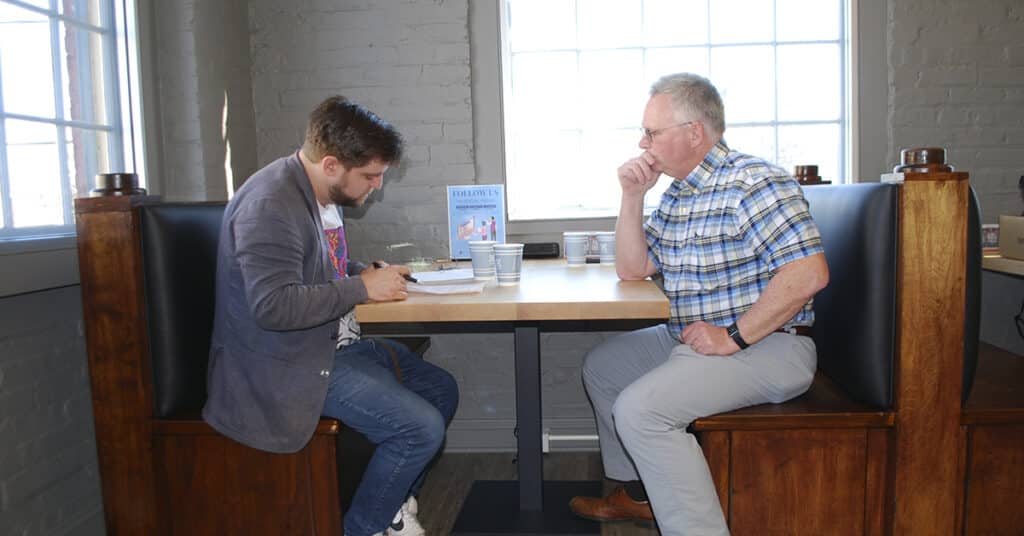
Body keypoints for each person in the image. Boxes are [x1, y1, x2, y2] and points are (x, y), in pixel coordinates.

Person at [568, 73, 829, 535]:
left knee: (640, 411)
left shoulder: (753, 183)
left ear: (695, 133)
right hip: (694, 337)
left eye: (652, 132)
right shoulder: (679, 195)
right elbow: (632, 268)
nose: (642, 141)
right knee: (604, 367)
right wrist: (632, 197)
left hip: (771, 346)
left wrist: (732, 337)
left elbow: (808, 274)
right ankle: (641, 495)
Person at [203, 95, 459, 536]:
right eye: (371, 176)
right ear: (331, 164)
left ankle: (390, 510)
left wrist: (364, 272)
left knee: (440, 389)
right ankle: (366, 528)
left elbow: (319, 271)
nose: (376, 186)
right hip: (285, 367)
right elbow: (273, 306)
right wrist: (361, 288)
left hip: (332, 348)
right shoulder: (270, 205)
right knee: (420, 429)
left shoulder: (321, 196)